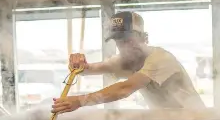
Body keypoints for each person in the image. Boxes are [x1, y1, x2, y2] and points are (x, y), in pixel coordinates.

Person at [51, 11, 205, 114]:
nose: (125, 47)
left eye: (129, 40)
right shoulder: (126, 60)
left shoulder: (160, 58)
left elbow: (124, 89)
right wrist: (78, 64)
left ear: (144, 38)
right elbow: (89, 69)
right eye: (119, 41)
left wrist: (80, 101)